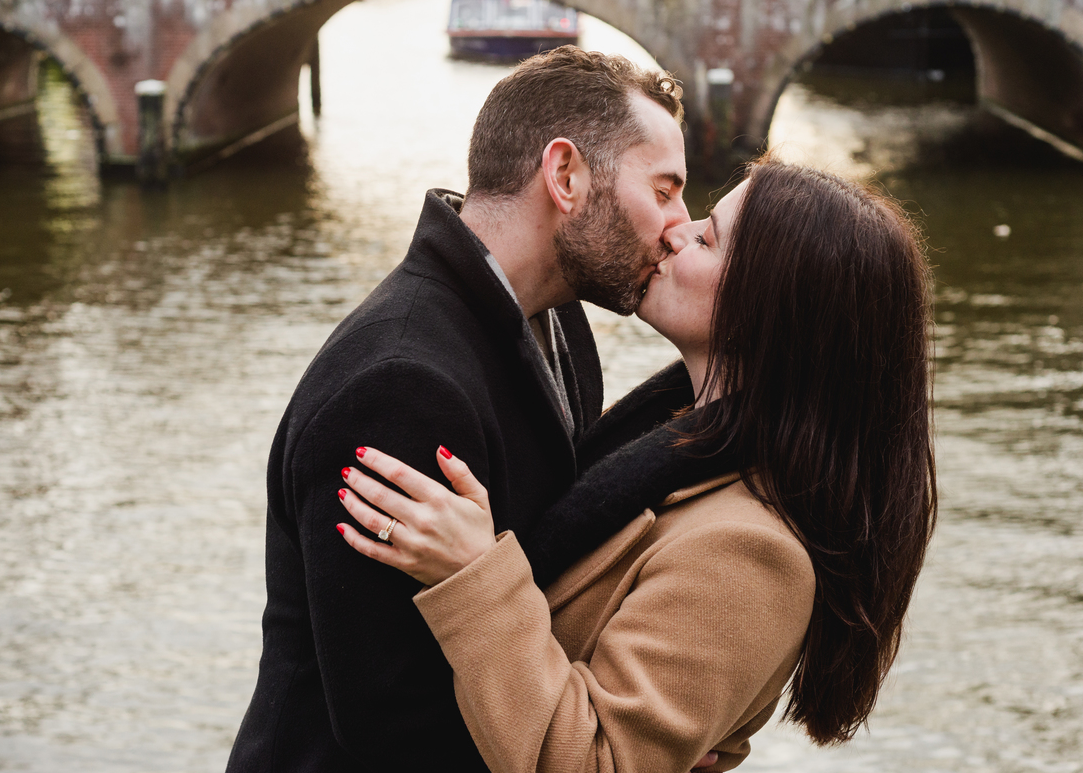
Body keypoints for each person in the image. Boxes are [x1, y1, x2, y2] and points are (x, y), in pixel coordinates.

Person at [225, 48, 742, 772]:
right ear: (566, 176)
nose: (677, 226)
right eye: (664, 190)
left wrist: (642, 731)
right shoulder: (400, 388)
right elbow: (390, 720)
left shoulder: (563, 328)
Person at [337, 158, 938, 772]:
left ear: (771, 308)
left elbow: (598, 763)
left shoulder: (752, 554)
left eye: (708, 238)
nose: (677, 229)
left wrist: (474, 572)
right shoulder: (670, 447)